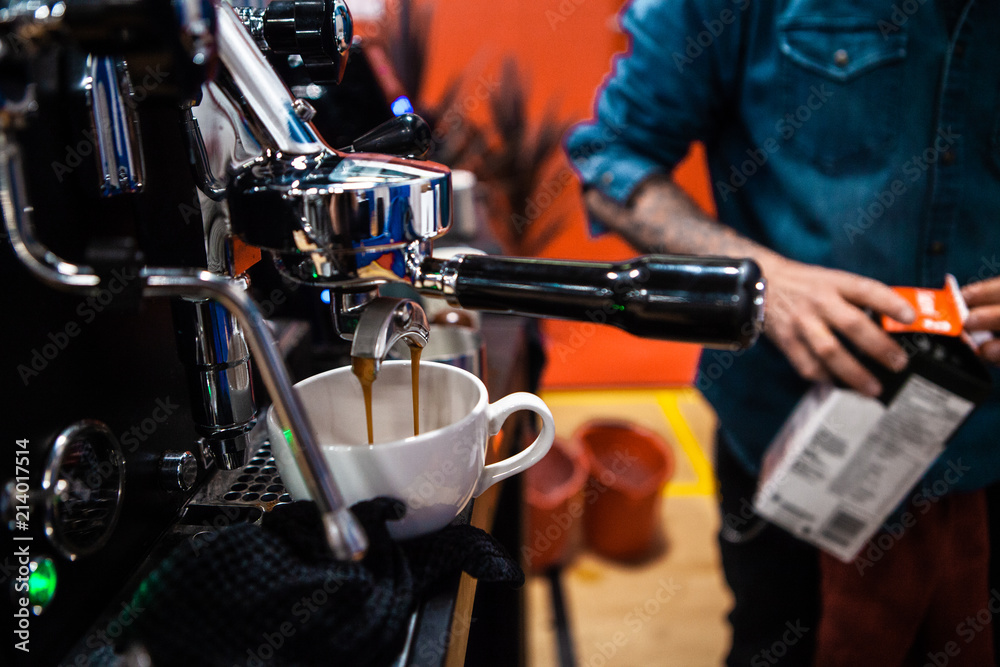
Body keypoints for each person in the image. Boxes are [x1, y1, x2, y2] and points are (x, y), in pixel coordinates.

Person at [566, 0, 1000, 664]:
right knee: (781, 641)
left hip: (987, 444)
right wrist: (765, 280)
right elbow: (613, 158)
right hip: (788, 432)